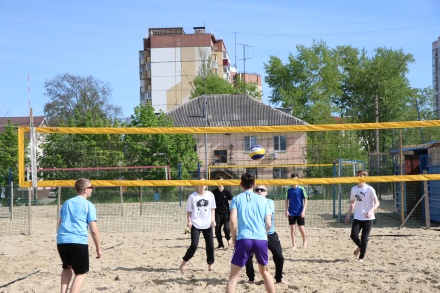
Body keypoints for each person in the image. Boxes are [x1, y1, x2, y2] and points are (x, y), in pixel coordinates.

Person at [226, 173, 275, 293]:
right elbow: (268, 223)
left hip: (244, 239)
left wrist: (233, 238)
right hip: (260, 239)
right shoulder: (263, 200)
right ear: (254, 184)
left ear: (241, 184)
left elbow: (232, 221)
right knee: (265, 272)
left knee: (233, 277)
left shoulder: (236, 199)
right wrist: (264, 234)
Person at [56, 178, 102, 293]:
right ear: (85, 189)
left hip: (62, 240)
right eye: (91, 187)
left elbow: (59, 223)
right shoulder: (88, 205)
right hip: (78, 241)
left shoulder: (67, 203)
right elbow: (94, 230)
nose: (92, 190)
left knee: (67, 267)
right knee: (81, 273)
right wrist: (98, 248)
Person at [245, 184, 288, 285]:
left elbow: (266, 216)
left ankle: (278, 279)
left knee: (279, 256)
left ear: (266, 193)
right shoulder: (250, 202)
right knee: (247, 256)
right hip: (254, 234)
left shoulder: (269, 202)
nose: (259, 191)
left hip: (269, 233)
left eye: (262, 190)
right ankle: (251, 278)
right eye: (257, 190)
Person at [180, 177, 216, 272]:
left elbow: (212, 209)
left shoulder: (210, 195)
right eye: (200, 182)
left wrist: (213, 219)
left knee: (210, 245)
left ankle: (210, 265)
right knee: (194, 245)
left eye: (204, 182)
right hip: (196, 223)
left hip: (207, 224)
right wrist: (189, 221)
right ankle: (184, 262)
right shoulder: (192, 197)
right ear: (196, 185)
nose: (203, 184)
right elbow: (189, 211)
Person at [345, 170, 380, 262]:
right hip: (357, 216)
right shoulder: (354, 189)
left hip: (368, 217)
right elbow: (352, 203)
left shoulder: (370, 189)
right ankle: (361, 246)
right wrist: (348, 215)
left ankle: (361, 257)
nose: (359, 177)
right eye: (357, 175)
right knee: (353, 235)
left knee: (364, 238)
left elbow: (377, 203)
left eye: (360, 175)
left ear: (365, 177)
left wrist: (370, 211)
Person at [285, 173, 308, 249]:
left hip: (300, 211)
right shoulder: (288, 189)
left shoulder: (301, 189)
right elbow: (286, 200)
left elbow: (305, 199)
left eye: (295, 179)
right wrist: (286, 210)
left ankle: (304, 242)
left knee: (301, 228)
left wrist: (304, 210)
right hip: (291, 212)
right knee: (292, 228)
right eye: (292, 180)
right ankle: (294, 245)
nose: (294, 181)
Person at [212, 175, 233, 249]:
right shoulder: (214, 192)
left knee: (226, 228)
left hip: (226, 213)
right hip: (217, 213)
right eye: (219, 181)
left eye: (222, 181)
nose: (220, 183)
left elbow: (232, 199)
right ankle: (220, 244)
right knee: (217, 228)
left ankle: (228, 238)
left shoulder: (227, 191)